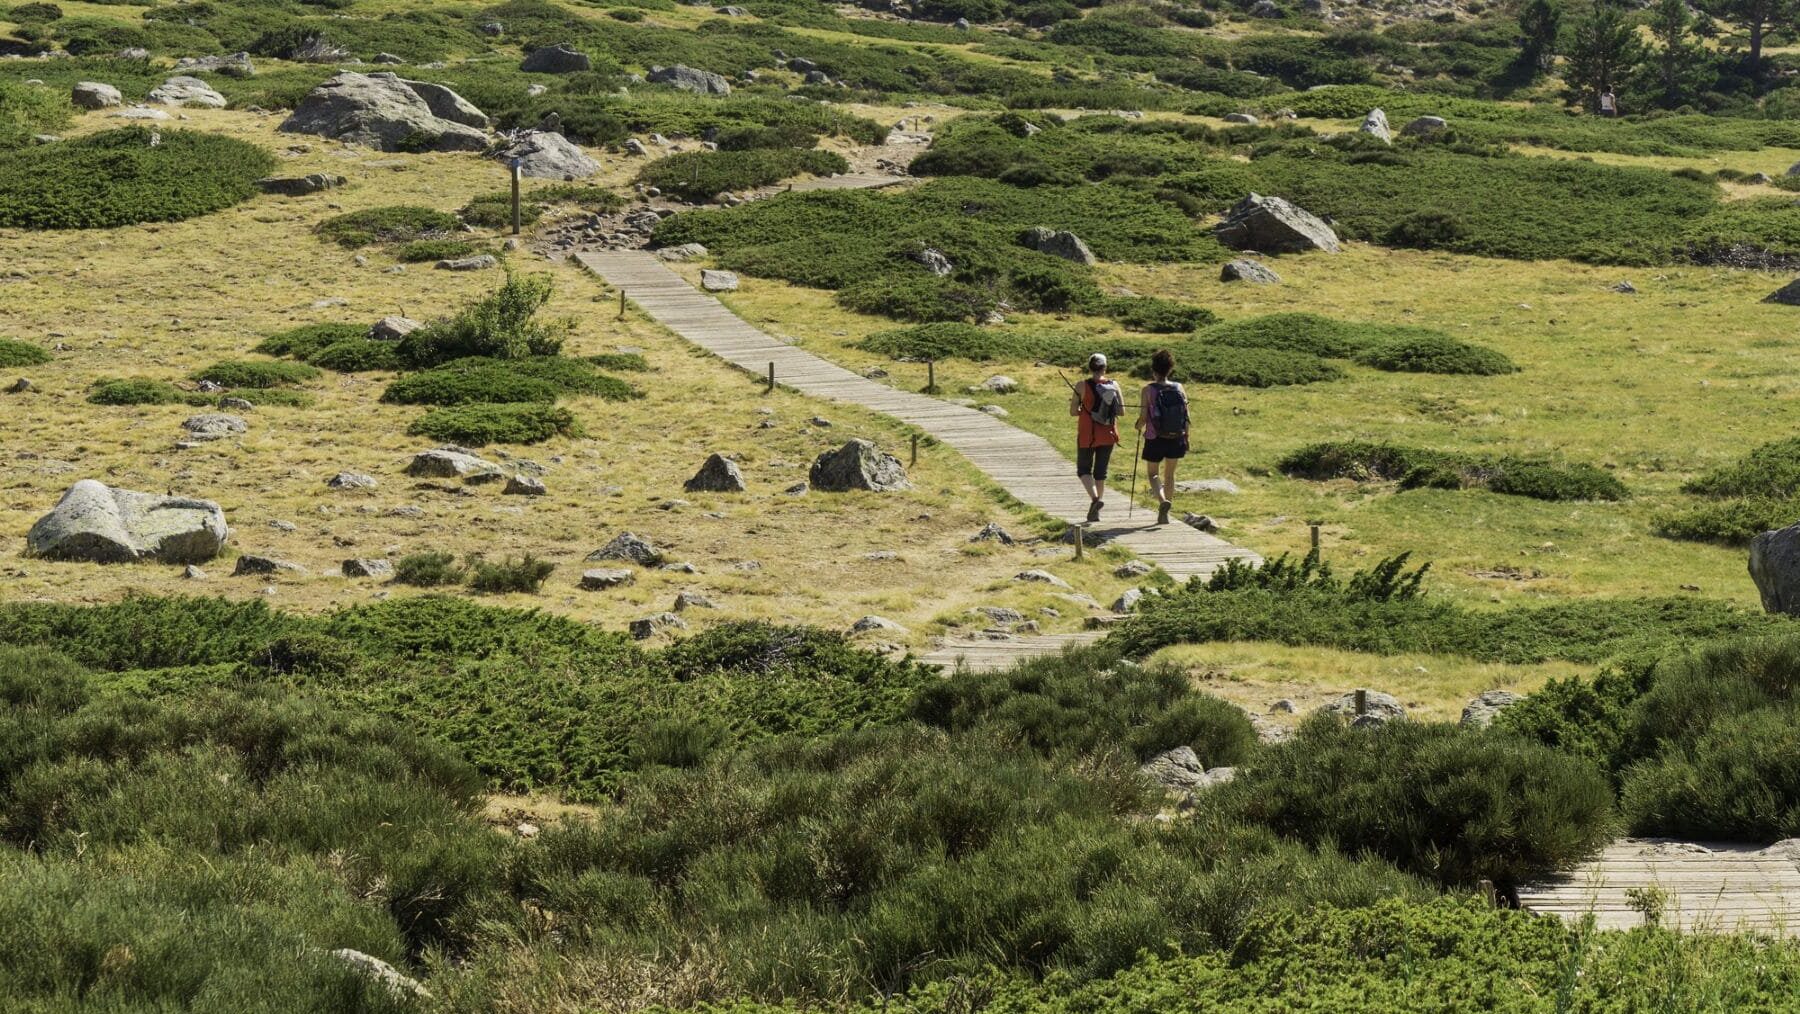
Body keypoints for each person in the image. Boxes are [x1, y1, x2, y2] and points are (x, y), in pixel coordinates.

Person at [1135, 348, 1189, 527]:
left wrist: (1137, 426)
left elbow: (1143, 417)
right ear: (1170, 369)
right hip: (1176, 437)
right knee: (1170, 476)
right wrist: (1186, 436)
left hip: (1154, 437)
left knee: (1153, 473)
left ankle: (1162, 500)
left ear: (1154, 370)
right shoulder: (1179, 387)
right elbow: (1186, 415)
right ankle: (1166, 513)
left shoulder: (1148, 390)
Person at [1068, 352, 1123, 523]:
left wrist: (1084, 410)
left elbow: (1072, 412)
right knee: (1101, 473)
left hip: (1087, 433)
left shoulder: (1081, 385)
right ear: (1105, 367)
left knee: (1083, 470)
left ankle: (1095, 500)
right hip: (1108, 434)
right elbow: (1121, 411)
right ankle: (1096, 512)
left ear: (1090, 367)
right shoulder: (1114, 385)